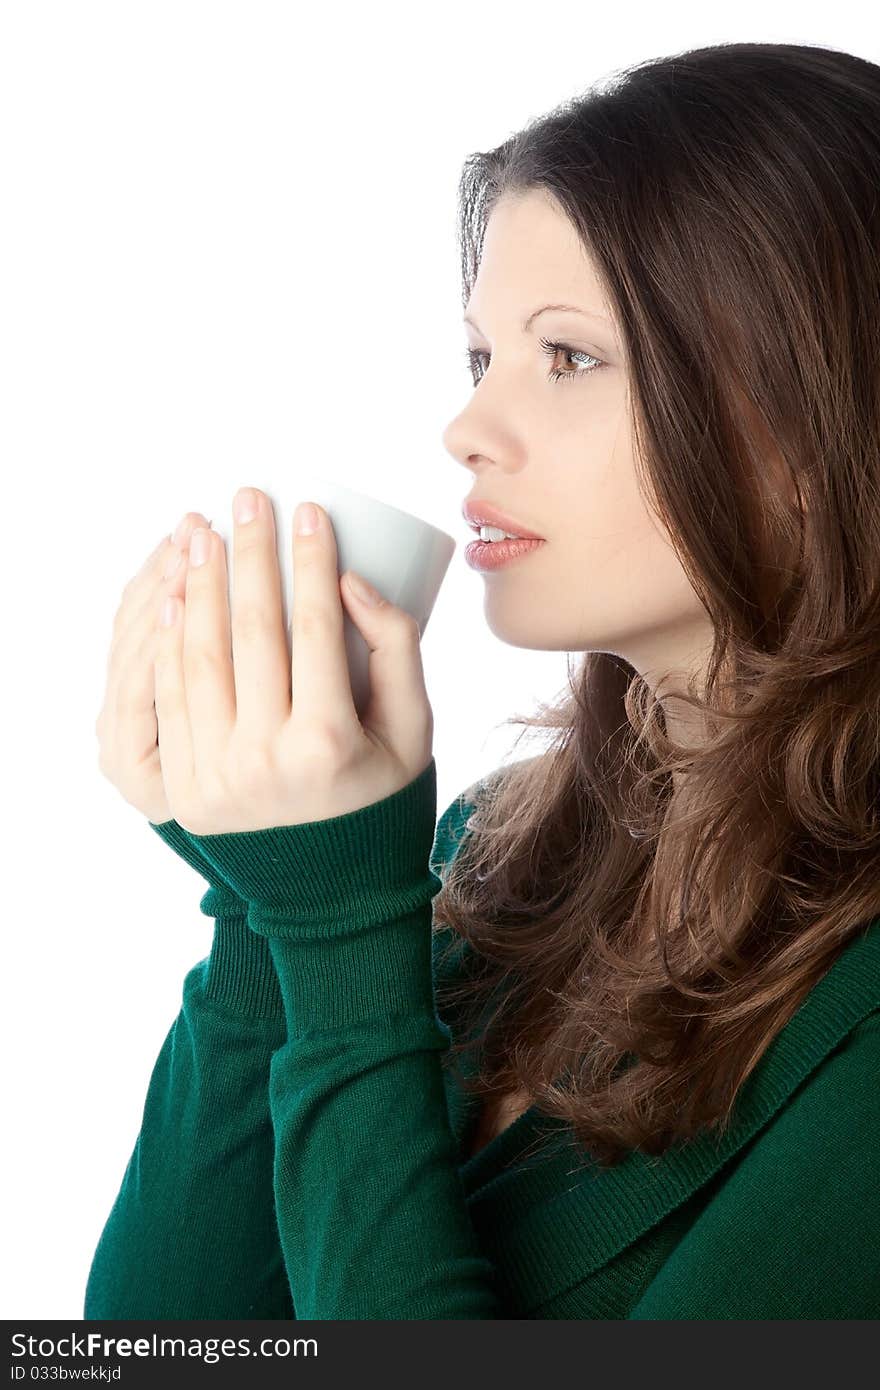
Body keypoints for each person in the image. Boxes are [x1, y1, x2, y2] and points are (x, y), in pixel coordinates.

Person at [85, 39, 880, 1319]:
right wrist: (266, 890)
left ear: (823, 400)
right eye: (478, 359)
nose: (467, 429)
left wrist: (341, 924)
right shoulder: (497, 858)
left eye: (565, 356)